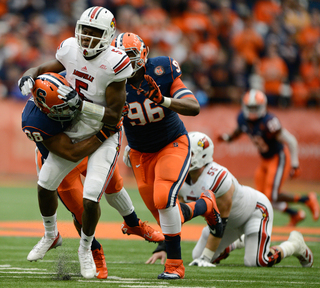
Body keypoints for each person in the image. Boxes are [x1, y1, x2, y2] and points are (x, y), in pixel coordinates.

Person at [18, 7, 163, 279]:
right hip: (72, 127)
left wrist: (79, 105)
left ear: (108, 35)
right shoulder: (70, 49)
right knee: (44, 185)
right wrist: (30, 73)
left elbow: (113, 114)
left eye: (95, 32)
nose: (87, 37)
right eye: (85, 30)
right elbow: (46, 68)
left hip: (103, 132)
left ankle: (86, 248)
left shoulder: (115, 62)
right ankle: (50, 235)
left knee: (91, 196)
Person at [112, 32, 222, 280]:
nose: (126, 63)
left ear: (144, 54)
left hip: (171, 144)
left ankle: (175, 267)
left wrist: (163, 100)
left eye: (130, 56)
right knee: (164, 214)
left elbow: (193, 107)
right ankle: (206, 204)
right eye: (121, 57)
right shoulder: (110, 79)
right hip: (140, 152)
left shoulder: (162, 69)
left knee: (164, 199)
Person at [146, 131, 314, 268]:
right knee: (196, 256)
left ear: (202, 155)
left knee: (257, 261)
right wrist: (163, 247)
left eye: (188, 153)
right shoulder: (180, 178)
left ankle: (295, 244)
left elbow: (220, 221)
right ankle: (239, 241)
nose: (183, 157)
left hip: (255, 211)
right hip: (227, 222)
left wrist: (206, 257)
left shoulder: (217, 177)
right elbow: (177, 217)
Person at [218, 89, 319, 226]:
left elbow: (291, 141)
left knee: (272, 195)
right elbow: (239, 130)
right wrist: (227, 138)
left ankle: (307, 199)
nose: (252, 111)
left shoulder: (269, 122)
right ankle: (295, 214)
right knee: (261, 197)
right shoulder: (242, 118)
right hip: (265, 160)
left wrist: (295, 164)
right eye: (250, 107)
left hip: (279, 157)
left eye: (255, 107)